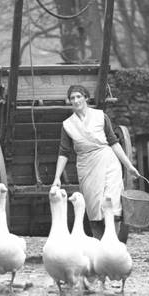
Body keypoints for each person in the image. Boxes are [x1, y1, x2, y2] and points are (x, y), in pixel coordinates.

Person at [52, 83, 140, 241]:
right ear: (69, 101)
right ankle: (99, 245)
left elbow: (113, 142)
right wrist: (57, 177)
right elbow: (64, 152)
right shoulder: (67, 125)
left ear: (86, 98)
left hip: (108, 161)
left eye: (79, 96)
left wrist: (129, 166)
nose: (76, 100)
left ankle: (113, 243)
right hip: (86, 164)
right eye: (72, 98)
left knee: (111, 202)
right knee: (94, 207)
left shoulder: (100, 116)